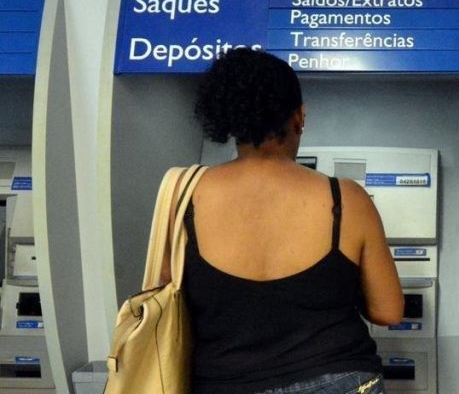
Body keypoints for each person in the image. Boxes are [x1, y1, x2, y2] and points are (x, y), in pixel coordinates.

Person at [164, 47, 404, 394]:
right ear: (299, 117)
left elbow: (167, 294)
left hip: (225, 382)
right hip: (338, 377)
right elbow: (388, 311)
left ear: (229, 118)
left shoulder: (184, 196)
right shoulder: (346, 198)